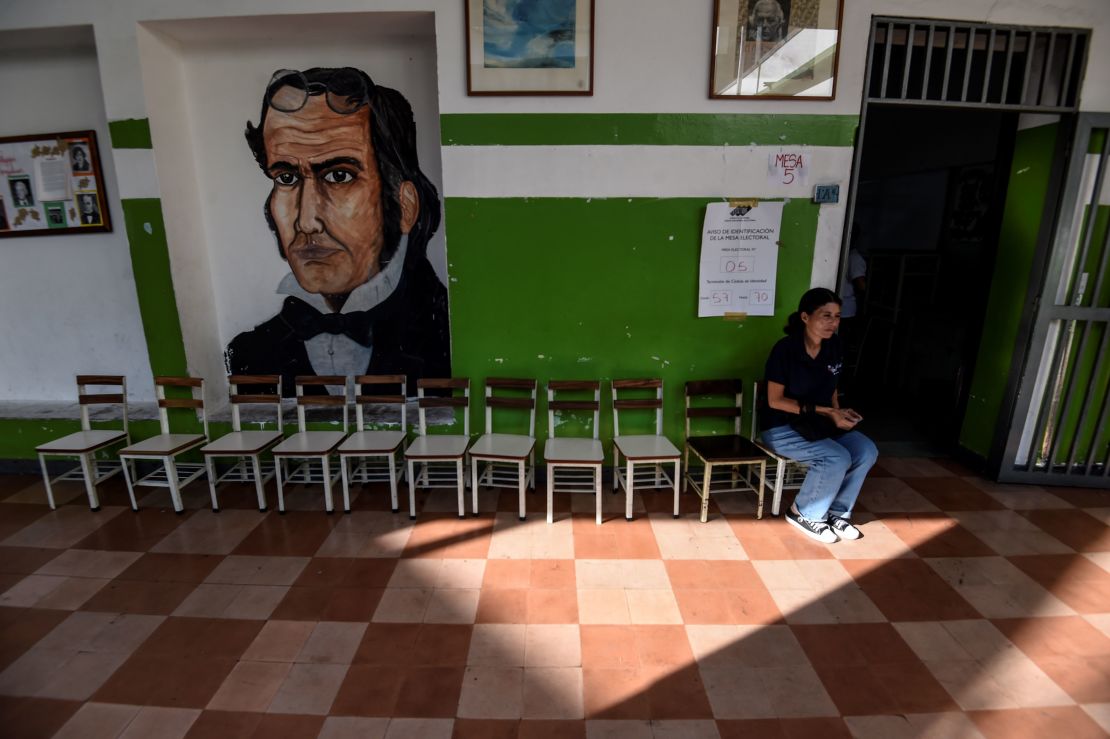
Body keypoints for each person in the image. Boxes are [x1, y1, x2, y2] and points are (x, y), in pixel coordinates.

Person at [225, 66, 450, 396]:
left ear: (404, 205)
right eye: (286, 178)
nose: (306, 221)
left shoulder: (452, 338)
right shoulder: (249, 354)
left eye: (339, 176)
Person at [759, 287, 878, 543]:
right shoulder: (786, 350)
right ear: (805, 317)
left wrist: (839, 411)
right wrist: (829, 412)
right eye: (826, 316)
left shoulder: (834, 345)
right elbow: (775, 400)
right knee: (835, 457)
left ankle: (837, 512)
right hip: (782, 427)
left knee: (866, 450)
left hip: (819, 423)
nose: (833, 323)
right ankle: (805, 512)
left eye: (836, 316)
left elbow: (832, 386)